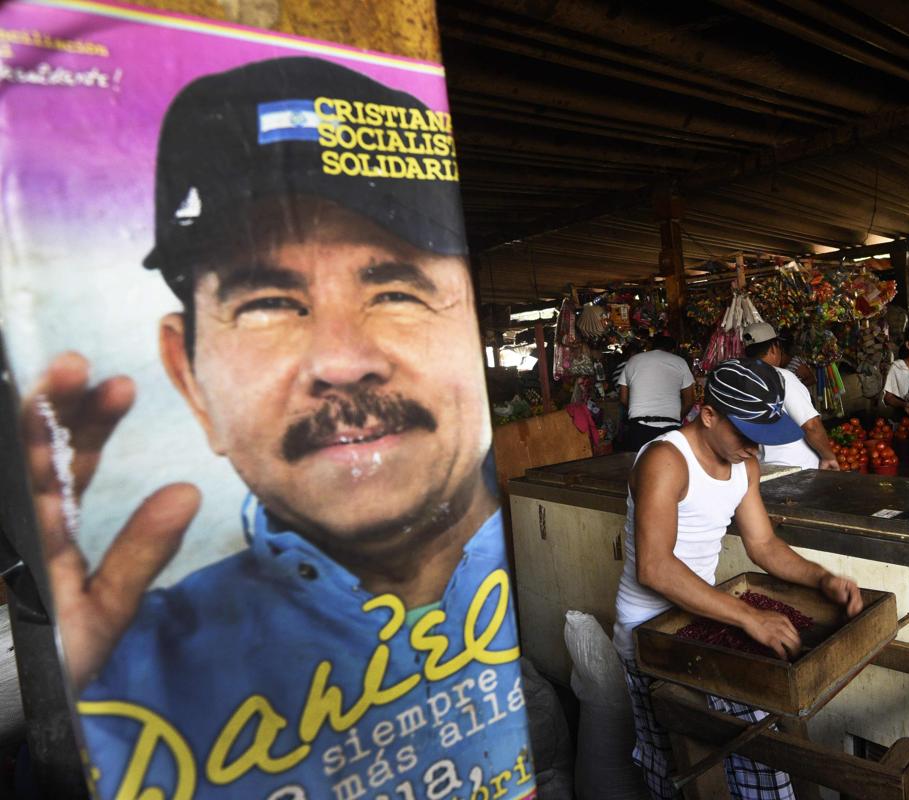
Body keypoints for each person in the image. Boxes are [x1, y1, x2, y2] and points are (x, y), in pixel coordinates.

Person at [22, 57, 533, 798]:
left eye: (395, 288)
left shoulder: (540, 588)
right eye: (266, 302)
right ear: (190, 378)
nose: (341, 361)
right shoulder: (126, 677)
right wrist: (79, 749)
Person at [613, 358, 863, 799]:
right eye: (746, 436)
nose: (755, 449)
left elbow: (764, 545)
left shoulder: (744, 466)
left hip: (702, 619)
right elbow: (654, 567)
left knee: (748, 757)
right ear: (708, 415)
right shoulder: (665, 460)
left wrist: (822, 579)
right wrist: (748, 617)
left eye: (762, 439)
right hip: (648, 634)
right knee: (675, 768)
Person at [742, 322, 839, 471]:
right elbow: (811, 425)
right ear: (774, 348)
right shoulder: (782, 377)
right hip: (797, 469)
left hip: (764, 469)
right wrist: (828, 456)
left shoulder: (740, 382)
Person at [616, 333, 695, 451]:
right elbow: (689, 400)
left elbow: (623, 398)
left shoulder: (633, 360)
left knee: (640, 466)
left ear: (651, 347)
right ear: (673, 350)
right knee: (669, 466)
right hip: (670, 428)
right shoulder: (680, 362)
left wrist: (638, 410)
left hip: (638, 427)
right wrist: (677, 417)